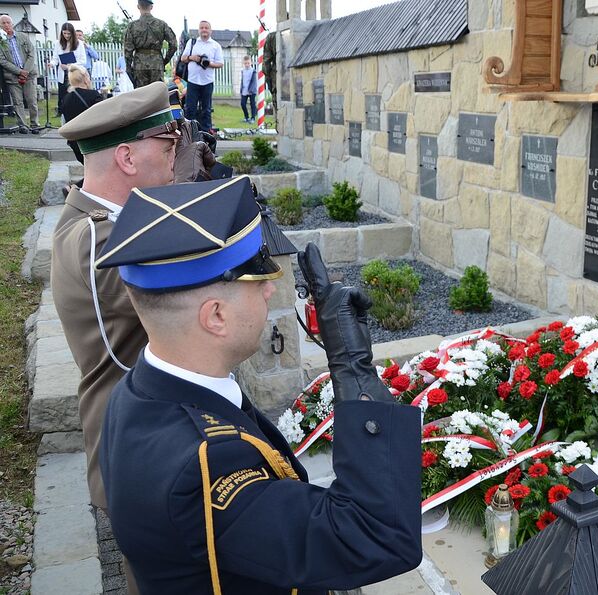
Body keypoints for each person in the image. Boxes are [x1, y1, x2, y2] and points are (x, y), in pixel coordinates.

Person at [94, 177, 423, 592]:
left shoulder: (140, 390)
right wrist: (353, 369)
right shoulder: (205, 466)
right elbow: (376, 536)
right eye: (255, 280)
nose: (270, 289)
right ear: (215, 316)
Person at [53, 82, 185, 594]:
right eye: (168, 145)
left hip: (145, 432)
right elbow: (199, 308)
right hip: (138, 443)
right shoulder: (100, 240)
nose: (177, 156)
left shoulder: (97, 216)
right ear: (127, 157)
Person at [180, 20, 223, 133]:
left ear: (210, 30)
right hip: (193, 81)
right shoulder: (192, 42)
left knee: (206, 110)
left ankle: (205, 134)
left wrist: (208, 64)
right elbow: (183, 58)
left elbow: (220, 63)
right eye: (202, 28)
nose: (204, 30)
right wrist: (192, 58)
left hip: (207, 82)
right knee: (190, 109)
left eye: (206, 28)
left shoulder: (215, 45)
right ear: (199, 30)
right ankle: (189, 132)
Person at [0, 14, 40, 133]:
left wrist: (25, 71)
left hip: (29, 74)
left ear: (12, 24)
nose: (6, 25)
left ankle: (35, 124)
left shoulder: (23, 36)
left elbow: (31, 54)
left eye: (8, 22)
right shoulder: (1, 41)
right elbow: (2, 60)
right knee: (18, 102)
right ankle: (23, 125)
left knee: (32, 100)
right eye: (3, 23)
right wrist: (19, 71)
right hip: (12, 76)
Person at [123, 0, 177, 88]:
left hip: (139, 65)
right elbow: (174, 45)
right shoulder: (161, 25)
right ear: (151, 7)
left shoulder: (132, 26)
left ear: (138, 6)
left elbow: (128, 49)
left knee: (141, 96)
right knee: (156, 95)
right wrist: (164, 61)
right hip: (157, 63)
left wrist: (128, 67)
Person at [59, 65, 103, 162]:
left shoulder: (65, 99)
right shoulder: (94, 95)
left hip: (76, 144)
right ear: (86, 79)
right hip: (94, 142)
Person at [48, 22, 86, 116]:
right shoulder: (58, 43)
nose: (66, 36)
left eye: (68, 33)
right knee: (62, 94)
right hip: (63, 73)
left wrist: (70, 65)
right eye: (64, 33)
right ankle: (62, 112)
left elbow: (83, 60)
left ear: (72, 33)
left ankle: (76, 111)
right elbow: (55, 58)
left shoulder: (79, 44)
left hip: (74, 72)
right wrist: (52, 64)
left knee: (74, 92)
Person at [239, 54, 257, 123]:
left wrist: (251, 90)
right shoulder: (243, 71)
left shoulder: (253, 71)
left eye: (248, 63)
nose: (247, 64)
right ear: (243, 63)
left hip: (252, 91)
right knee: (243, 104)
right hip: (244, 90)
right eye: (245, 63)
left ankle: (253, 118)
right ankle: (246, 117)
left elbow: (254, 81)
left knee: (252, 104)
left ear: (251, 63)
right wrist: (241, 89)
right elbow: (242, 81)